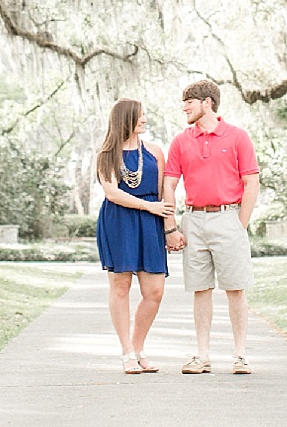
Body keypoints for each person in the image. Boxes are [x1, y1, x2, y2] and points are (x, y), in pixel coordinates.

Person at [161, 79, 260, 375]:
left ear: (207, 103)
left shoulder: (238, 137)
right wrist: (172, 225)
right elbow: (169, 183)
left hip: (228, 217)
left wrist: (240, 223)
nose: (184, 108)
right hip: (193, 219)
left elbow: (251, 181)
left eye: (189, 103)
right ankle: (202, 356)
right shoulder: (181, 141)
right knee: (200, 289)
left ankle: (240, 355)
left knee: (235, 288)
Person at [94, 98, 174, 374]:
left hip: (151, 222)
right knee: (120, 287)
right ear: (125, 118)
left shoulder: (154, 152)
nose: (145, 119)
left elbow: (164, 192)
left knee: (154, 291)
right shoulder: (107, 153)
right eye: (140, 115)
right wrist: (147, 205)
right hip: (119, 221)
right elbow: (112, 192)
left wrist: (169, 228)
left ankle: (138, 348)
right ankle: (126, 351)